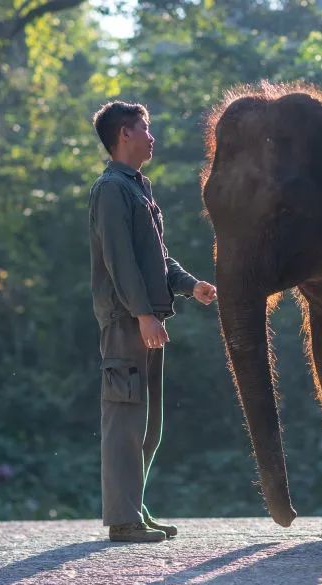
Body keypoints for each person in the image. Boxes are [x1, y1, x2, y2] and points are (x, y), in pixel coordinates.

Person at [88, 101, 217, 542]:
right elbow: (120, 260)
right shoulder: (111, 189)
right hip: (127, 322)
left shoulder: (138, 187)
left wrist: (189, 284)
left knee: (148, 425)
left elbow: (155, 257)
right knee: (125, 421)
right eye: (145, 128)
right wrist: (143, 314)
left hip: (147, 320)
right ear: (124, 134)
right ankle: (122, 520)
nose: (151, 136)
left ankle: (135, 510)